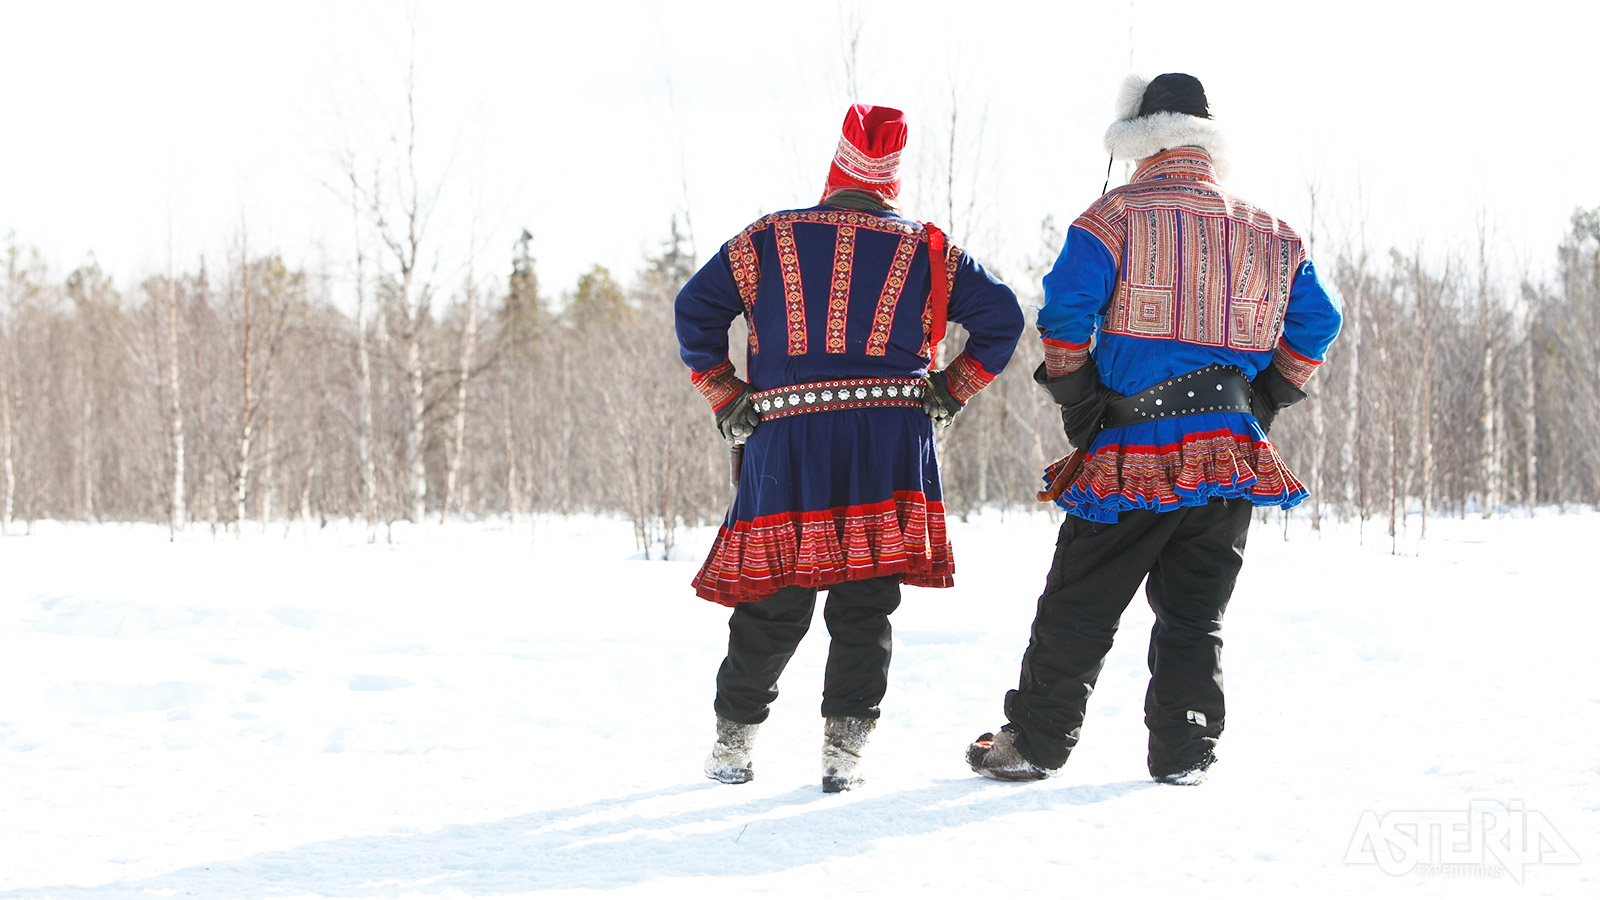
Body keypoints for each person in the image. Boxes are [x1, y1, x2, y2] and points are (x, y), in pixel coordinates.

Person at [965, 73, 1342, 785]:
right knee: (1196, 612)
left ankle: (1035, 744)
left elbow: (1065, 313)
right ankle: (1187, 751)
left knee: (1081, 600)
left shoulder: (1112, 215)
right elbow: (1321, 320)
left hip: (1135, 442)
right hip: (1231, 450)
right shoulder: (1273, 230)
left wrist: (1077, 399)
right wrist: (1263, 399)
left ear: (1143, 143)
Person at [676, 104, 1024, 792]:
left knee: (773, 598)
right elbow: (1003, 318)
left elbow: (696, 309)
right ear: (891, 180)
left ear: (835, 170)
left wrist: (725, 391)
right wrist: (950, 390)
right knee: (865, 605)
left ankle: (733, 746)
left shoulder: (768, 238)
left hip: (789, 441)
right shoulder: (927, 248)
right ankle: (844, 757)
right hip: (887, 444)